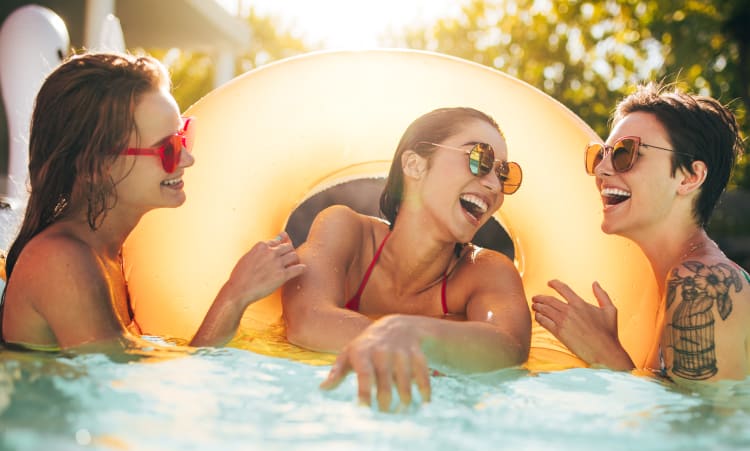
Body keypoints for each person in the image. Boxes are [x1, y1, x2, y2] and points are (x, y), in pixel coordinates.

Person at [0, 52, 305, 352]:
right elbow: (125, 396)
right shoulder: (60, 262)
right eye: (169, 148)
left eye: (183, 136)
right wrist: (235, 296)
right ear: (96, 167)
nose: (187, 158)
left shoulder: (111, 253)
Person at [282, 107, 531, 409]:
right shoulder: (346, 231)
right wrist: (403, 336)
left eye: (504, 173)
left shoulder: (485, 271)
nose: (494, 185)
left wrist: (412, 332)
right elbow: (306, 320)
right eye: (480, 159)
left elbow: (508, 348)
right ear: (414, 165)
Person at [532, 82, 749, 384]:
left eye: (625, 153)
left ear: (690, 177)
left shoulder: (701, 284)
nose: (602, 170)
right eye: (601, 155)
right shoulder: (674, 282)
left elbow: (703, 427)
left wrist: (605, 353)